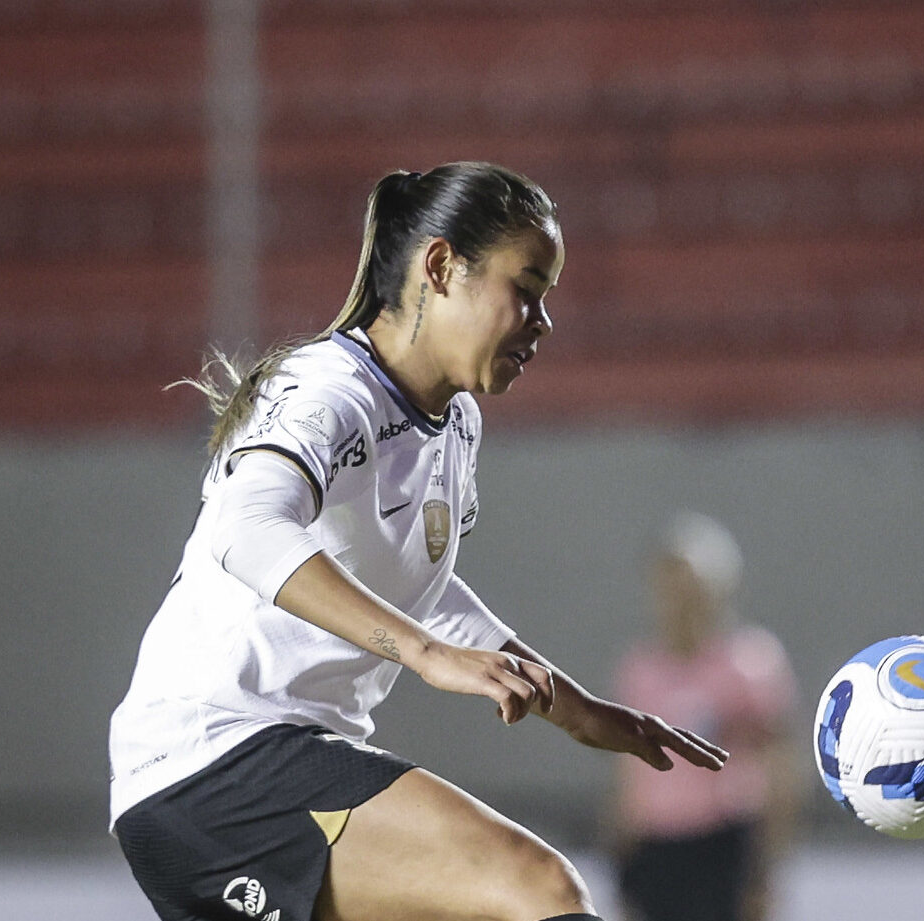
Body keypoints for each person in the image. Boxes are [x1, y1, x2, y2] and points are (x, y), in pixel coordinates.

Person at [108, 161, 728, 921]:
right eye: (525, 286)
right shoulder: (325, 390)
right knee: (538, 889)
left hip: (245, 780)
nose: (542, 319)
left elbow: (426, 595)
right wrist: (426, 655)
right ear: (440, 267)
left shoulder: (455, 422)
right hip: (219, 759)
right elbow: (243, 528)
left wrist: (574, 707)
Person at [609, 512, 801, 921]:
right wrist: (622, 854)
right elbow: (629, 771)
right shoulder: (640, 668)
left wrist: (767, 867)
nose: (679, 601)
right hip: (657, 846)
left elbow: (780, 769)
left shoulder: (751, 662)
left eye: (690, 589)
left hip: (724, 843)